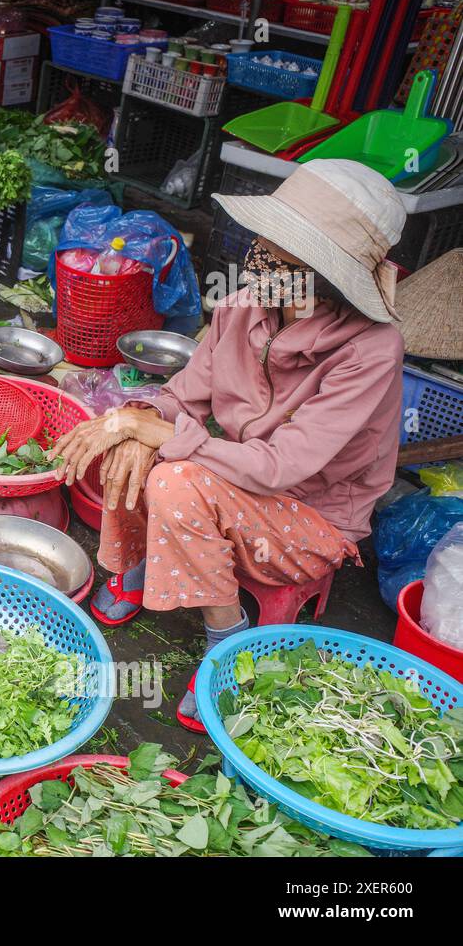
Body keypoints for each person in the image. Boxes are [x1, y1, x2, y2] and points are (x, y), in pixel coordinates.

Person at [50, 159, 406, 730]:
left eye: (284, 247)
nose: (261, 251)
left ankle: (227, 640)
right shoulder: (247, 305)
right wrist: (138, 419)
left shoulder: (372, 351)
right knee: (132, 429)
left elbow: (278, 468)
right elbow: (184, 396)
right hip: (242, 480)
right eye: (269, 237)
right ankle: (139, 560)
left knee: (173, 472)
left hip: (310, 513)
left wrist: (164, 435)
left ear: (326, 272)